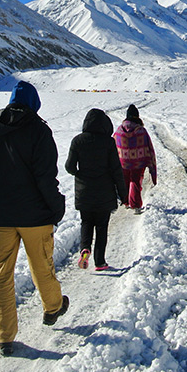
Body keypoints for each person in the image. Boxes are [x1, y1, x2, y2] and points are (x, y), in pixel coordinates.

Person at [0, 80, 69, 357]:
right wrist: (56, 207)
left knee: (2, 276)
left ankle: (4, 337)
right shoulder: (39, 130)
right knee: (41, 266)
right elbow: (46, 177)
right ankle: (52, 307)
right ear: (34, 103)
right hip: (35, 216)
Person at [65, 108, 129, 271]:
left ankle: (85, 248)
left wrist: (80, 175)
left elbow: (69, 166)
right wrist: (123, 195)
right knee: (102, 227)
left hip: (84, 192)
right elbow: (116, 170)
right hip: (104, 192)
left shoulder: (77, 141)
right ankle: (100, 262)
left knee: (86, 222)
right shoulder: (108, 142)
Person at [113, 104, 157, 214]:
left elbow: (114, 145)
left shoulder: (119, 130)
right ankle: (136, 205)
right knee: (136, 181)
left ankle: (127, 202)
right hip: (138, 162)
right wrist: (151, 163)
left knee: (126, 181)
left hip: (123, 162)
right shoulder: (141, 130)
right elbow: (149, 147)